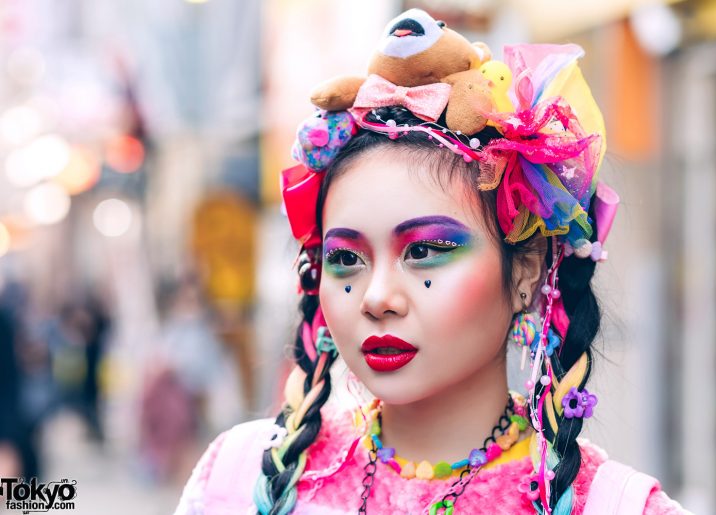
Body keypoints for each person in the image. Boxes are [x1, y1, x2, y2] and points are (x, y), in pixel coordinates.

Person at [174, 9, 689, 514]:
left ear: (526, 270)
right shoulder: (240, 479)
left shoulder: (612, 505)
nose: (377, 298)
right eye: (347, 258)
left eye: (424, 252)